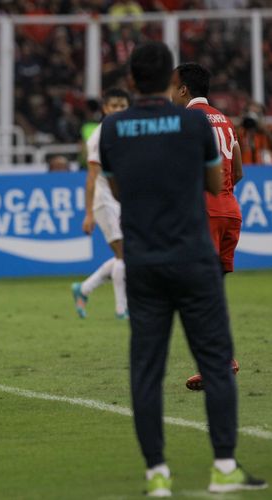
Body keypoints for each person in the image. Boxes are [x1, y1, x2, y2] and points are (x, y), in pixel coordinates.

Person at [99, 41, 266, 496]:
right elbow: (218, 180)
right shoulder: (196, 122)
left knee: (145, 368)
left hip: (147, 256)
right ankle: (225, 467)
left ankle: (156, 476)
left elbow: (115, 189)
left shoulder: (113, 127)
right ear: (167, 81)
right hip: (194, 250)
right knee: (215, 360)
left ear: (132, 81)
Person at [170, 62, 244, 391]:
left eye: (172, 86)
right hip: (229, 211)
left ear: (184, 89)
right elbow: (238, 168)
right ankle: (219, 361)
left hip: (204, 213)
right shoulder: (224, 120)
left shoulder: (186, 120)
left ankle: (216, 363)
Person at [71, 88, 130, 320]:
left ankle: (84, 289)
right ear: (105, 108)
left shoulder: (126, 133)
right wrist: (88, 214)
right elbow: (92, 177)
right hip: (104, 201)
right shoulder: (99, 136)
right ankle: (121, 309)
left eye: (122, 106)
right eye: (114, 106)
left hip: (123, 199)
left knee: (126, 255)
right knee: (125, 255)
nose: (118, 110)